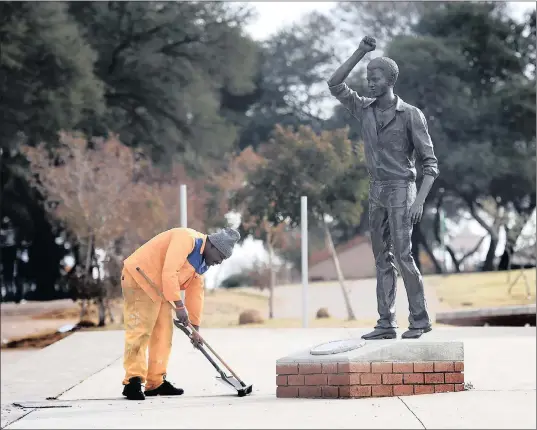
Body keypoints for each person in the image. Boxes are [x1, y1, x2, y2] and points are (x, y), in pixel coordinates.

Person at [327, 36, 439, 340]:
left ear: (390, 80)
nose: (370, 83)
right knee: (381, 259)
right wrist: (360, 53)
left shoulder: (410, 115)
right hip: (376, 191)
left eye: (375, 78)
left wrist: (420, 202)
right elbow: (335, 84)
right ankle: (386, 322)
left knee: (404, 256)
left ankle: (420, 319)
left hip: (404, 189)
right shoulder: (364, 110)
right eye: (367, 78)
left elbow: (430, 165)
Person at [120, 226, 240, 400]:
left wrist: (195, 329)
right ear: (212, 246)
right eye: (221, 256)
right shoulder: (187, 239)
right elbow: (170, 271)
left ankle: (156, 382)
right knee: (141, 330)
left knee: (164, 334)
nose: (220, 261)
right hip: (139, 277)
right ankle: (133, 381)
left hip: (158, 288)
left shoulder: (201, 263)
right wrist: (178, 305)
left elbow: (195, 293)